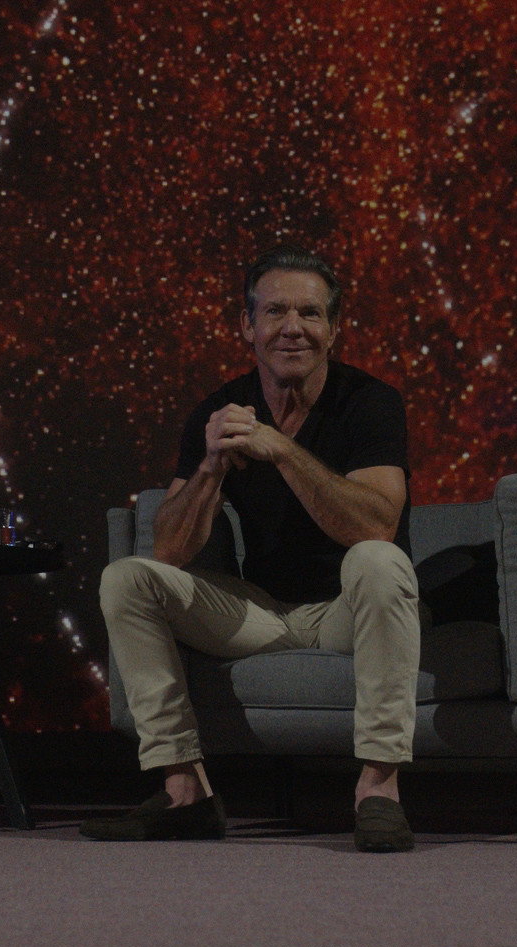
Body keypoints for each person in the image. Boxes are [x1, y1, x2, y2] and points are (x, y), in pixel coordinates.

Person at [82, 244, 420, 852]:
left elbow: (376, 527)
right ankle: (185, 791)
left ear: (334, 329)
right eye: (275, 312)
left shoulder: (370, 402)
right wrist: (211, 465)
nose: (293, 328)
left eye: (310, 313)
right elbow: (170, 550)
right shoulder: (218, 412)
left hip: (347, 612)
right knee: (127, 578)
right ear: (247, 326)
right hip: (263, 611)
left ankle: (378, 789)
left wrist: (282, 450)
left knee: (378, 561)